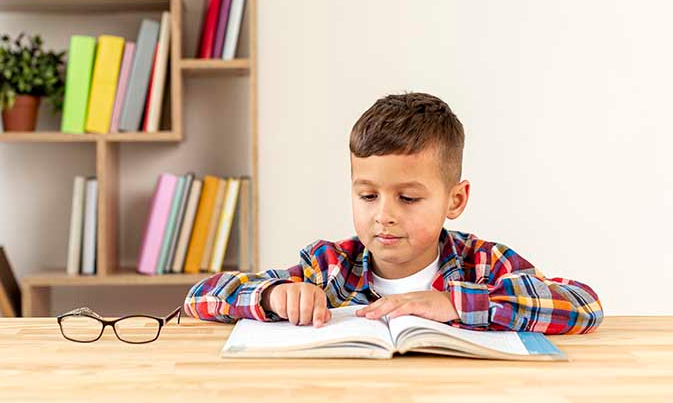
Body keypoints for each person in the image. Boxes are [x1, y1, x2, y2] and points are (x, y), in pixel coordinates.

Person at [183, 92, 603, 334]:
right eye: (368, 196)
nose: (384, 215)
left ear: (454, 200)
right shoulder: (329, 267)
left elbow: (584, 305)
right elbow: (201, 297)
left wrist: (456, 304)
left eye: (408, 198)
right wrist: (275, 295)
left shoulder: (484, 265)